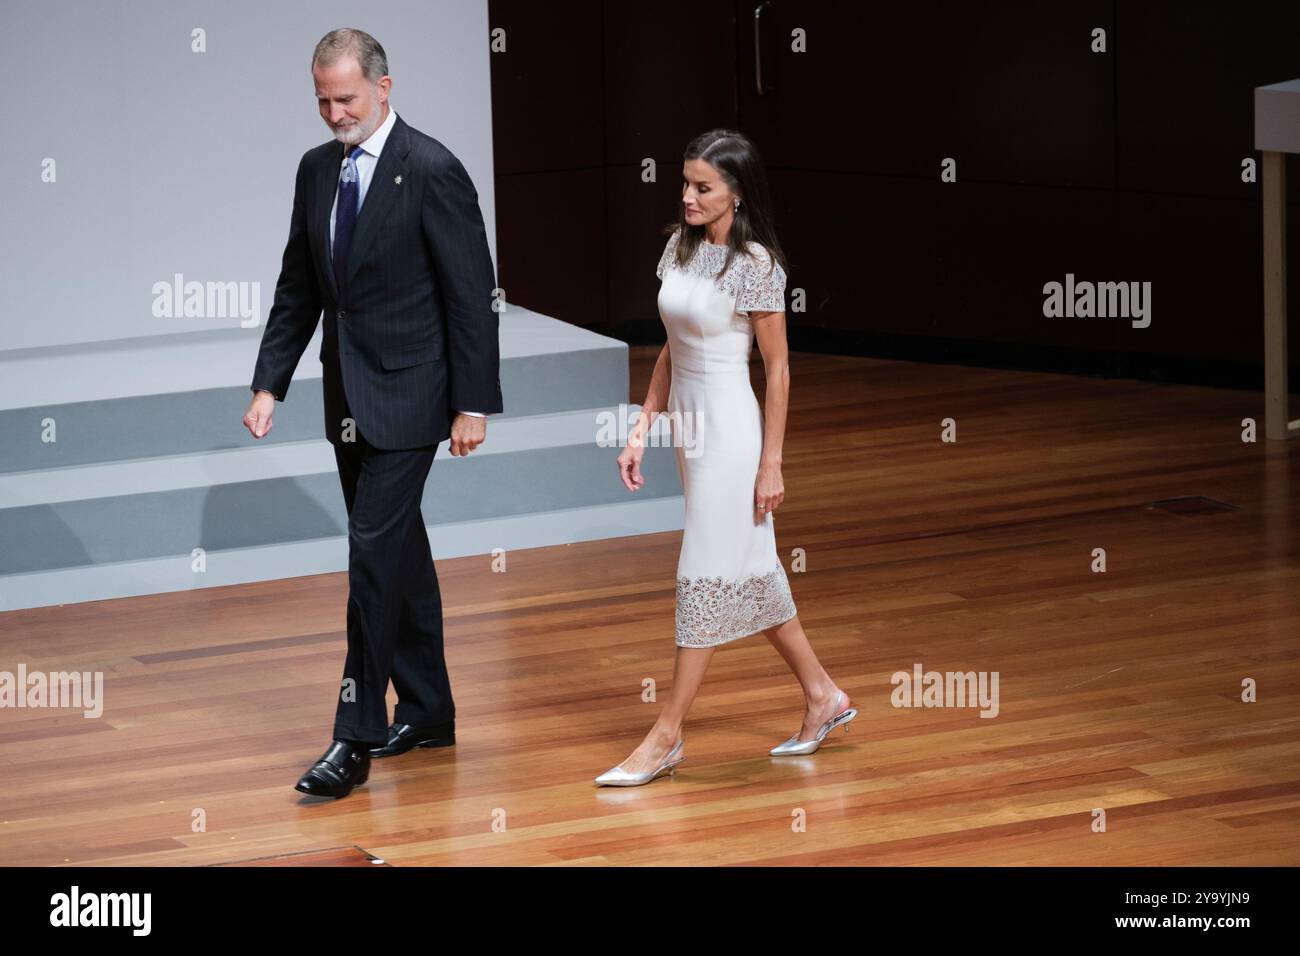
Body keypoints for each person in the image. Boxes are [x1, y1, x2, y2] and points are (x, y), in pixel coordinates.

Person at [243, 28, 502, 799]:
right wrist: (270, 383)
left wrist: (472, 403)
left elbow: (471, 296)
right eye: (322, 100)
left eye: (346, 98)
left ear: (384, 88)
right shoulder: (316, 170)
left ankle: (353, 735)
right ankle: (427, 710)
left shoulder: (431, 168)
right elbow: (301, 284)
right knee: (398, 555)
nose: (333, 113)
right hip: (346, 397)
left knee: (368, 560)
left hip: (415, 396)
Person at [596, 130, 856, 786]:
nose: (687, 196)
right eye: (684, 183)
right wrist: (640, 428)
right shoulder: (678, 249)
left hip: (734, 437)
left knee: (704, 573)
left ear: (735, 194)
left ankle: (666, 735)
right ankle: (824, 697)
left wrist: (772, 463)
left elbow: (780, 371)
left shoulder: (757, 264)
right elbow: (669, 348)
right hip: (690, 430)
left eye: (702, 187)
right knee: (749, 571)